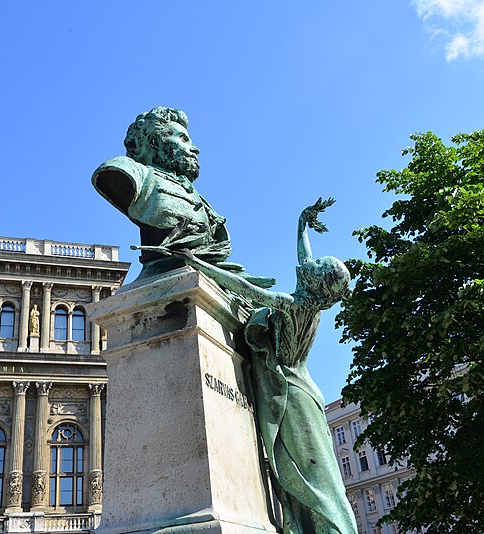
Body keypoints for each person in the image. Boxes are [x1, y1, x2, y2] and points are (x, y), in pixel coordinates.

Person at [152, 198, 357, 534]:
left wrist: (196, 263)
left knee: (312, 478)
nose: (308, 265)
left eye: (316, 267)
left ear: (316, 282)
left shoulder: (292, 304)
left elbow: (244, 289)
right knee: (318, 475)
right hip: (302, 392)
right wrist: (302, 222)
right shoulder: (312, 303)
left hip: (292, 395)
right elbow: (303, 257)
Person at [92, 106, 272, 287]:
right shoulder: (133, 173)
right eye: (183, 139)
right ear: (155, 141)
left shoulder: (199, 200)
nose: (195, 149)